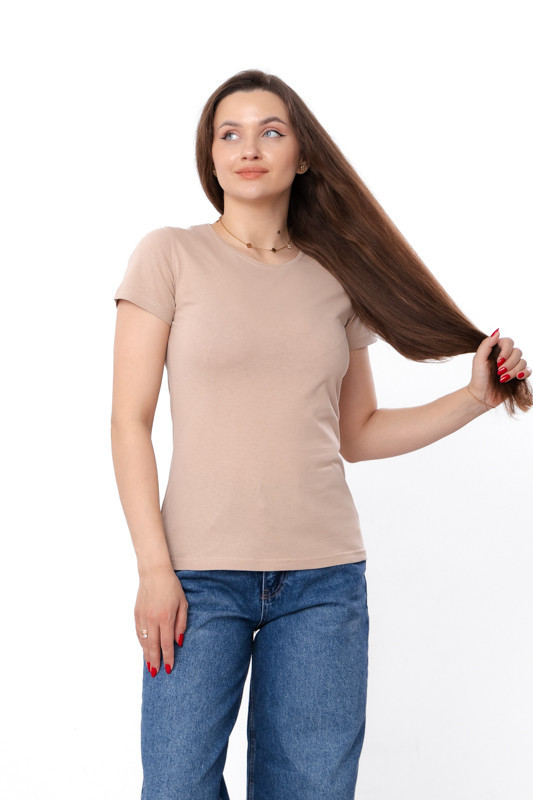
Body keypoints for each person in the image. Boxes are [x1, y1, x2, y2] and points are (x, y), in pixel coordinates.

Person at [110, 69, 531, 800]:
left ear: (303, 154)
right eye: (229, 134)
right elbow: (128, 421)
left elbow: (357, 433)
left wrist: (472, 398)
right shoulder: (169, 255)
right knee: (175, 785)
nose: (249, 148)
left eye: (270, 131)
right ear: (210, 157)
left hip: (323, 582)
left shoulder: (335, 279)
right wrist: (154, 569)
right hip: (196, 579)